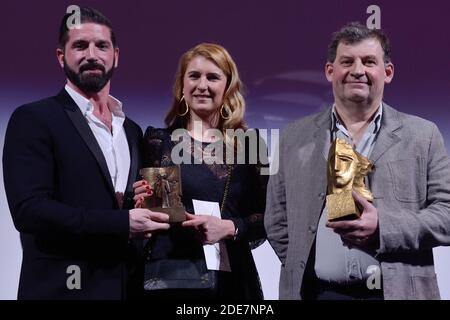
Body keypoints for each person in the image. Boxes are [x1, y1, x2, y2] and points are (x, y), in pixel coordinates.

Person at [265, 22, 450, 300]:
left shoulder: (423, 135)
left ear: (387, 72)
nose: (357, 70)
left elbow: (446, 215)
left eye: (369, 61)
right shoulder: (294, 136)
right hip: (317, 294)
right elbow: (276, 218)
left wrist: (383, 227)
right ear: (330, 71)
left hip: (397, 294)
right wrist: (301, 264)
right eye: (347, 61)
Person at [2, 6, 169, 300]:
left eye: (101, 46)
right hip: (62, 290)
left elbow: (117, 203)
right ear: (60, 56)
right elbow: (29, 211)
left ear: (115, 56)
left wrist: (137, 200)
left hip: (126, 287)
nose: (92, 54)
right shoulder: (34, 119)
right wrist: (123, 223)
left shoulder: (131, 129)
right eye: (80, 45)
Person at [133, 43, 268, 299]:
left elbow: (270, 218)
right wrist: (138, 200)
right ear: (181, 86)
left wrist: (229, 227)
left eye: (213, 77)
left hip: (232, 283)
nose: (202, 85)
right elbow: (144, 216)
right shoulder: (157, 141)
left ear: (228, 86)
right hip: (171, 277)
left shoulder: (251, 145)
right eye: (194, 76)